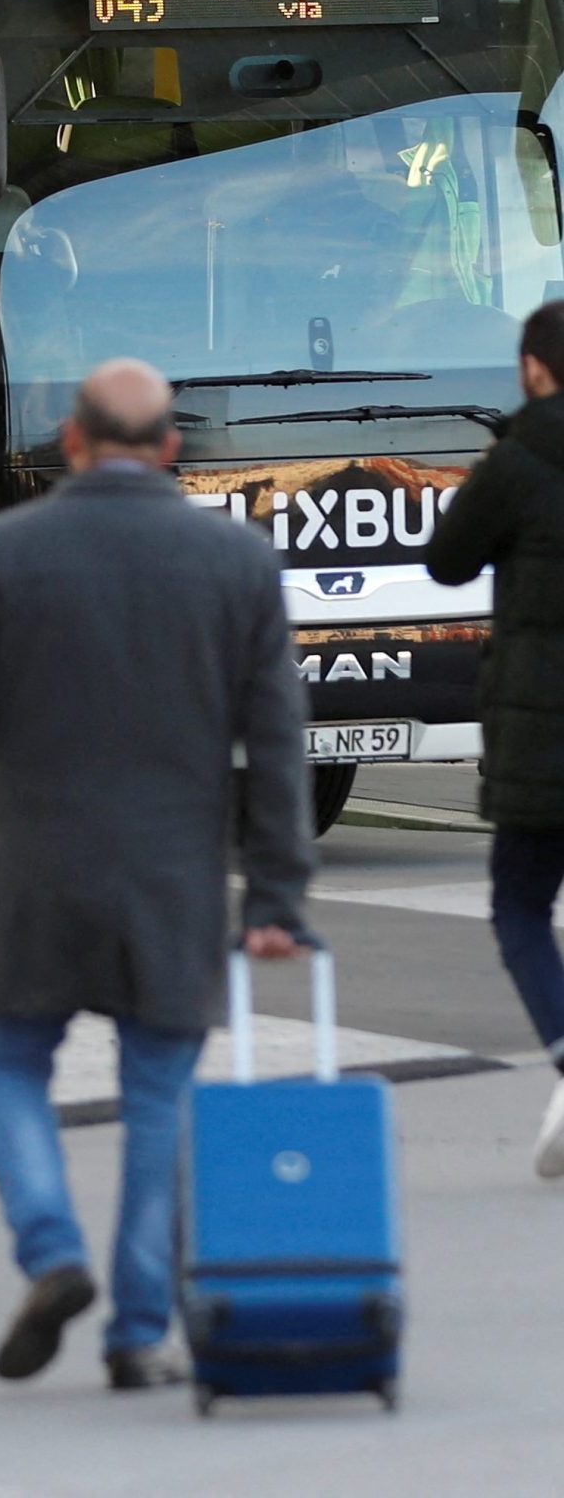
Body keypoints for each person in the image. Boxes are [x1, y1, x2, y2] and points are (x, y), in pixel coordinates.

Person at [0, 358, 314, 1390]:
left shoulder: (5, 550)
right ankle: (139, 1333)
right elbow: (278, 742)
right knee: (158, 1097)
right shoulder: (234, 562)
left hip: (37, 870)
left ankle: (52, 1251)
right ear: (171, 448)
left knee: (6, 1063)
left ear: (73, 442)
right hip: (172, 877)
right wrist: (277, 897)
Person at [428, 300, 564, 1176]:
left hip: (542, 735)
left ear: (534, 369)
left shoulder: (518, 461)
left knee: (520, 906)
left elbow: (447, 560)